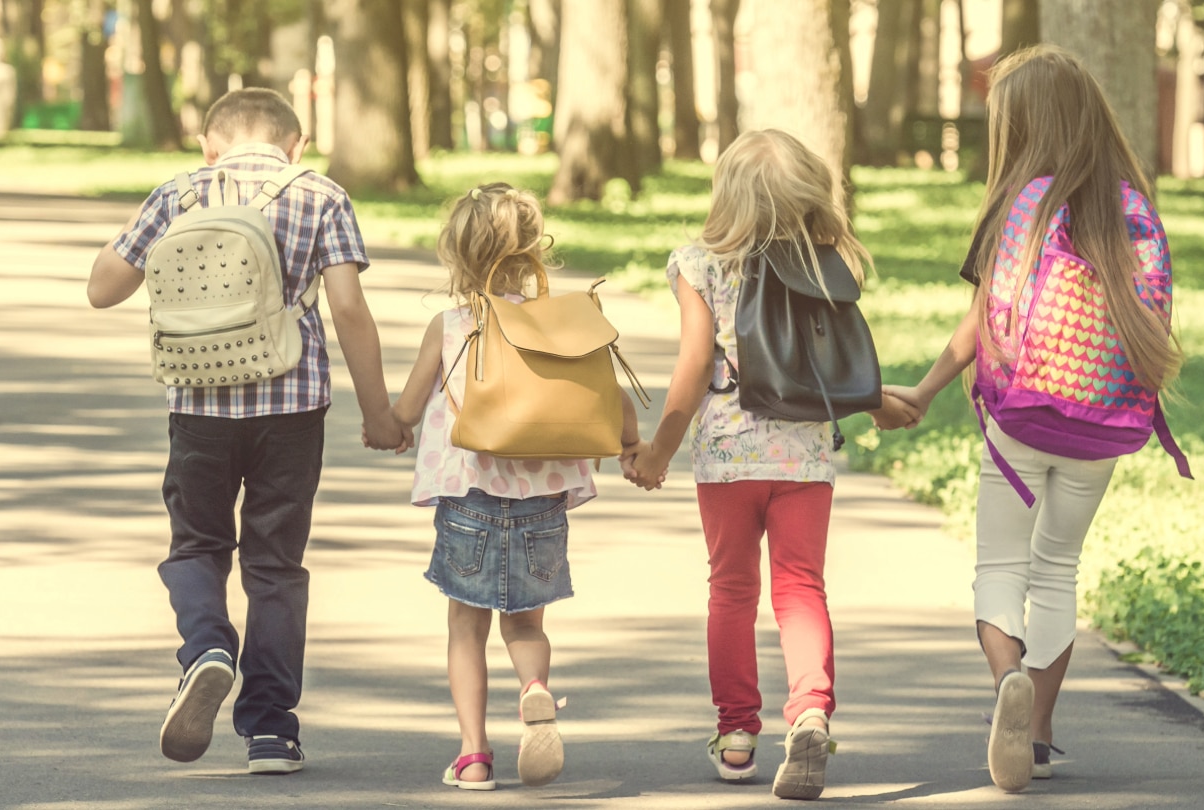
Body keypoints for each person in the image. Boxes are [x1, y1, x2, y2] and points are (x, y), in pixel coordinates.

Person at [884, 46, 1185, 793]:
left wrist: (922, 392)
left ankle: (1007, 678)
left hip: (1021, 417)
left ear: (1022, 126)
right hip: (1103, 422)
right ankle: (1041, 731)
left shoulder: (1022, 204)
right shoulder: (1130, 205)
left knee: (1000, 565)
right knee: (1058, 569)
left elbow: (979, 321)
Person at [87, 87, 411, 774]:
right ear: (296, 144)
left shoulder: (178, 193)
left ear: (210, 144)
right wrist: (379, 414)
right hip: (291, 405)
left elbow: (103, 287)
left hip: (198, 403)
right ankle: (271, 731)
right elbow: (349, 308)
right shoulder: (321, 194)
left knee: (196, 546)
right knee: (275, 566)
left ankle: (206, 647)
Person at [625, 129, 919, 800]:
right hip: (805, 455)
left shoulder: (698, 264)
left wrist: (658, 451)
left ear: (728, 193)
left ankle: (736, 736)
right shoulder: (824, 265)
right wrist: (873, 405)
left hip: (729, 459)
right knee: (800, 589)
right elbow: (827, 359)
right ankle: (810, 711)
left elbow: (697, 364)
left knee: (731, 590)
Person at [389, 182, 643, 791]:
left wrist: (391, 427)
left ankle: (474, 756)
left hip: (470, 500)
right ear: (535, 251)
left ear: (456, 255)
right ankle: (534, 688)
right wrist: (633, 447)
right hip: (544, 502)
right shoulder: (567, 325)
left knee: (465, 628)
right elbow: (614, 403)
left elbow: (407, 408)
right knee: (526, 626)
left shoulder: (451, 325)